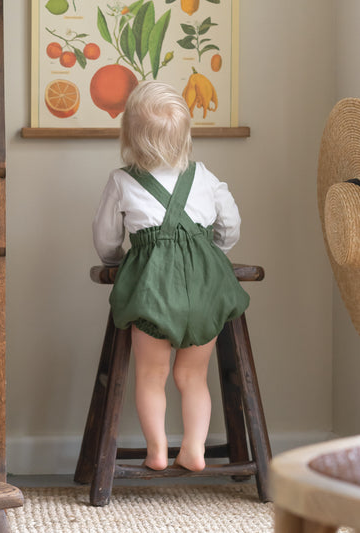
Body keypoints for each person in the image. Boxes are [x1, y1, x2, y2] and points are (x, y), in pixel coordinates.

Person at [92, 80, 249, 472]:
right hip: (206, 287)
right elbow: (230, 225)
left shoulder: (122, 180)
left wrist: (115, 260)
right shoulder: (204, 176)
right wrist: (213, 255)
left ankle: (157, 450)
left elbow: (106, 238)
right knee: (193, 376)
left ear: (129, 135)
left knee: (151, 374)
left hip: (152, 292)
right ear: (185, 135)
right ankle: (194, 448)